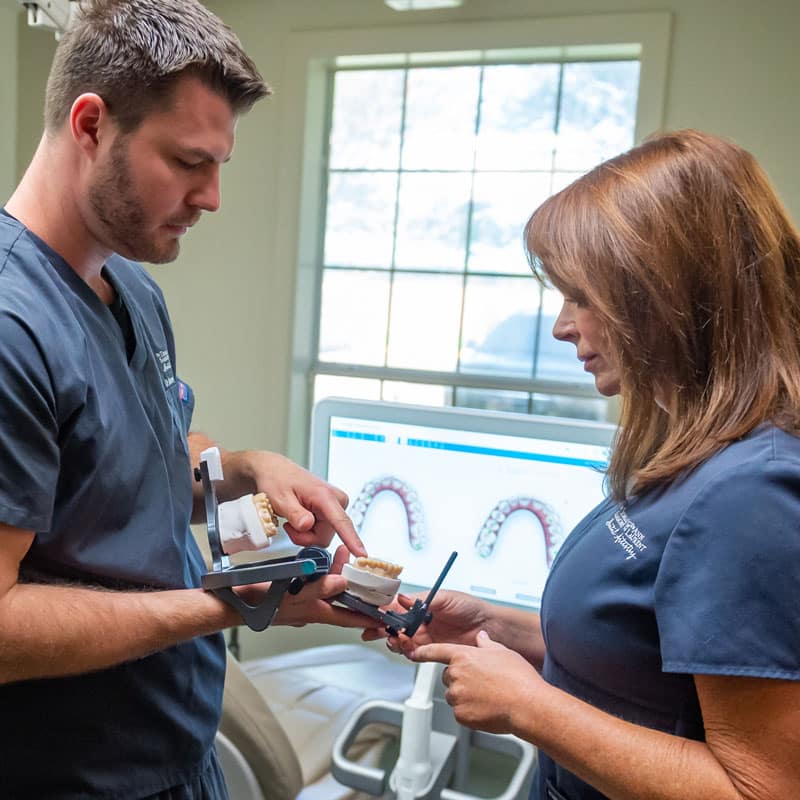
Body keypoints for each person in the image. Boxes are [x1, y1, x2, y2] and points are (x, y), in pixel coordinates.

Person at [0, 1, 377, 797]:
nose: (211, 197)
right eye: (187, 162)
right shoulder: (12, 327)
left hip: (179, 749)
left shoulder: (130, 285)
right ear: (91, 125)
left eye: (220, 166)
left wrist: (244, 469)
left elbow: (140, 453)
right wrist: (232, 608)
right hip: (78, 777)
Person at [368, 130, 800, 799]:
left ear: (666, 295)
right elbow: (648, 665)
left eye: (582, 296)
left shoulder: (751, 492)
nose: (562, 326)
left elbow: (759, 788)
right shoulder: (696, 448)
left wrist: (530, 708)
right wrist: (499, 631)